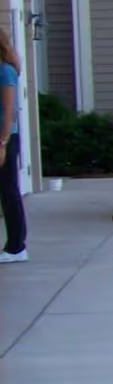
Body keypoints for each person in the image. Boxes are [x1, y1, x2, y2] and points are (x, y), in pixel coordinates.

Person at [0, 26, 24, 262]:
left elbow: (8, 110)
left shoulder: (5, 71)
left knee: (8, 191)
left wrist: (3, 142)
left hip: (5, 138)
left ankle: (17, 246)